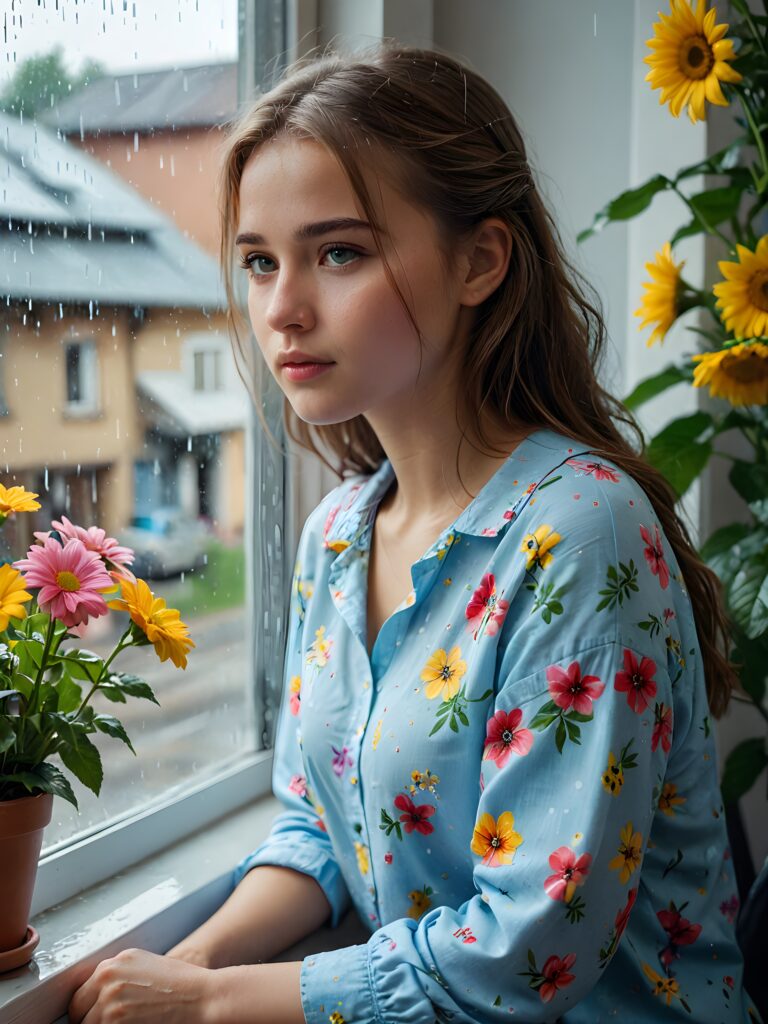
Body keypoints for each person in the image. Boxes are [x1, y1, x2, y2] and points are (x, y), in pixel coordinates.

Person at [68, 42, 762, 1024]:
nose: (282, 309)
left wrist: (214, 1002)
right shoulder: (339, 535)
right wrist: (182, 964)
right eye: (260, 262)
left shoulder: (583, 532)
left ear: (480, 260)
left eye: (338, 252)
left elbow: (531, 950)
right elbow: (319, 825)